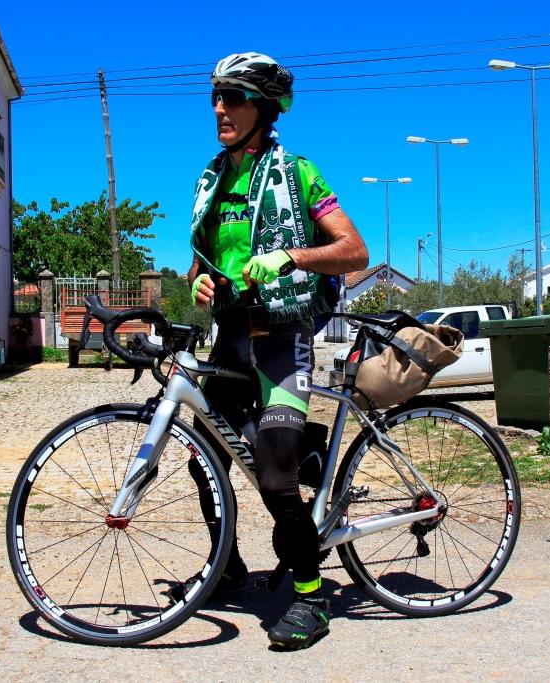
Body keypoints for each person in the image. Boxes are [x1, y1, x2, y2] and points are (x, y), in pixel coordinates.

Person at [186, 52, 368, 649]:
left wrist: (291, 256)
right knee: (202, 451)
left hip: (282, 339)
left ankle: (311, 600)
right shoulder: (212, 178)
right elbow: (202, 260)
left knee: (272, 477)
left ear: (264, 108)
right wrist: (198, 280)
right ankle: (229, 566)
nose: (220, 108)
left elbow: (354, 252)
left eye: (233, 98)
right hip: (230, 338)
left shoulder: (300, 176)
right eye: (216, 96)